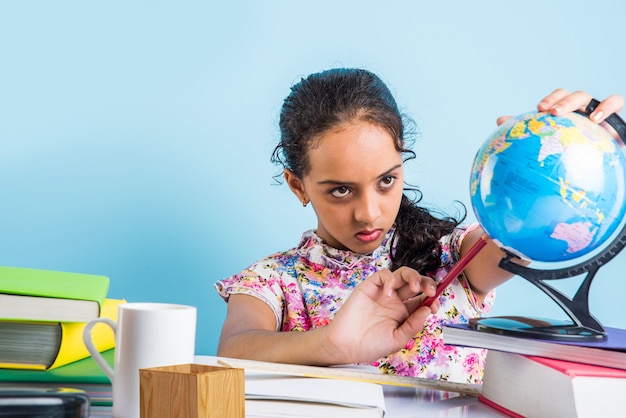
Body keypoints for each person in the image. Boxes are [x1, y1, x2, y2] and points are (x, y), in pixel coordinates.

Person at [214, 68, 624, 383]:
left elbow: (522, 239)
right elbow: (233, 347)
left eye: (386, 180)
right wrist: (333, 344)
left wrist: (574, 156)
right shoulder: (274, 281)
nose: (369, 213)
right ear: (298, 185)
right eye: (341, 190)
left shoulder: (456, 258)